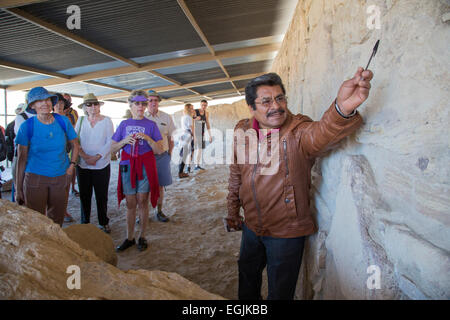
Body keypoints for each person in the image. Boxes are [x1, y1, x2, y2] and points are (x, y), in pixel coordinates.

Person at [225, 68, 373, 300]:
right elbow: (236, 173)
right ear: (252, 108)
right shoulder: (242, 130)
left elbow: (320, 134)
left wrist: (342, 109)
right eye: (266, 101)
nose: (276, 106)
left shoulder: (297, 130)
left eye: (280, 98)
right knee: (247, 278)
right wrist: (233, 210)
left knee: (280, 292)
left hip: (286, 233)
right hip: (251, 226)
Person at [15, 87, 79, 227]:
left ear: (51, 102)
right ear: (32, 106)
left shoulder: (63, 121)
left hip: (61, 176)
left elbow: (75, 144)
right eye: (39, 101)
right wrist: (18, 188)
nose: (45, 103)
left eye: (47, 99)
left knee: (57, 220)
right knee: (36, 220)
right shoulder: (27, 126)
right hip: (35, 178)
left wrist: (71, 166)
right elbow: (21, 160)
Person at [111, 90, 164, 252]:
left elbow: (159, 149)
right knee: (130, 202)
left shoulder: (151, 125)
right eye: (137, 103)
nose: (140, 106)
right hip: (127, 165)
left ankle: (142, 236)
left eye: (143, 103)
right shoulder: (123, 125)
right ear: (131, 105)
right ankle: (129, 237)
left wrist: (147, 138)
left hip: (145, 165)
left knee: (142, 200)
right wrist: (124, 141)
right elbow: (112, 148)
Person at [75, 93, 114, 233]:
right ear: (84, 108)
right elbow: (75, 142)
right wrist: (85, 157)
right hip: (83, 165)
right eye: (89, 104)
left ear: (99, 106)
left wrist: (96, 157)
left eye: (95, 104)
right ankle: (85, 223)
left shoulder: (107, 121)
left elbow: (111, 141)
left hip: (102, 164)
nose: (92, 107)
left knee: (101, 195)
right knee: (84, 195)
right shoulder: (79, 121)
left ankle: (103, 222)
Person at [144, 90, 176, 223]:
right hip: (145, 157)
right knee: (144, 187)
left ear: (158, 102)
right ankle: (144, 213)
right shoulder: (141, 118)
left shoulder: (166, 117)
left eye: (155, 100)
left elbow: (171, 137)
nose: (153, 103)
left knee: (160, 186)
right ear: (146, 103)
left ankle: (159, 211)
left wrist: (170, 154)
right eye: (150, 100)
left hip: (162, 157)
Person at [53, 93, 76, 223]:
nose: (59, 106)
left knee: (64, 187)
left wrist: (73, 161)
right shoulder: (47, 119)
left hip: (65, 157)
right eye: (56, 103)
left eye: (62, 103)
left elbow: (74, 141)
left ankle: (63, 210)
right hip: (51, 159)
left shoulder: (67, 119)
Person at [63, 93, 80, 197]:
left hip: (72, 140)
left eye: (68, 100)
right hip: (62, 141)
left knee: (73, 165)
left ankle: (72, 187)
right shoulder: (57, 112)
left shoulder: (74, 112)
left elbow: (77, 125)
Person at [193, 99, 212, 170]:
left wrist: (210, 135)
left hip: (201, 133)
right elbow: (189, 118)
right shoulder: (195, 111)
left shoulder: (206, 113)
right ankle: (188, 167)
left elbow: (207, 123)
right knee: (192, 150)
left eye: (205, 105)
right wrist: (195, 118)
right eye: (202, 105)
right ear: (200, 105)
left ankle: (196, 165)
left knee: (199, 150)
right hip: (194, 133)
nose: (203, 106)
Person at [178, 103, 194, 178]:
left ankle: (181, 171)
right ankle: (180, 172)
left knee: (183, 153)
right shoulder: (189, 117)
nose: (193, 109)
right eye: (191, 108)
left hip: (183, 134)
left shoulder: (183, 117)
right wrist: (194, 136)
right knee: (185, 154)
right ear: (188, 109)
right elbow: (191, 127)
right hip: (187, 134)